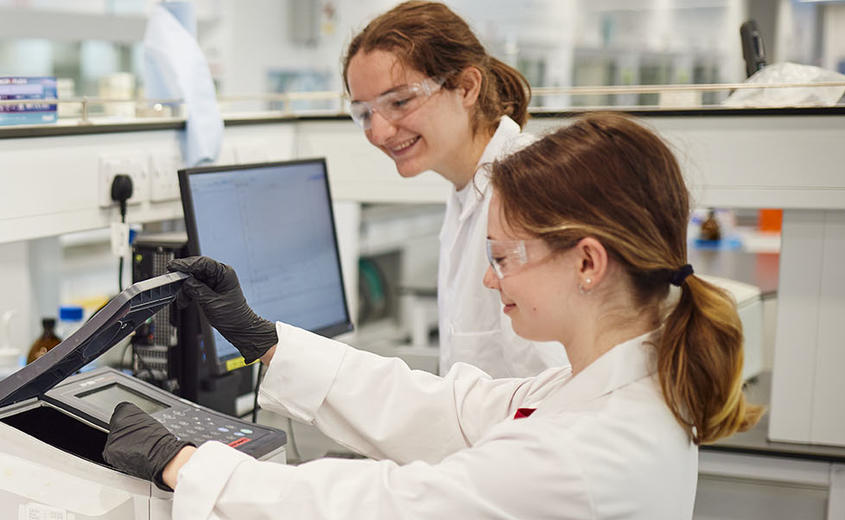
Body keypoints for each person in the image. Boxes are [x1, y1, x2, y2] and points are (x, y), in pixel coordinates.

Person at [101, 113, 764, 518]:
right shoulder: (603, 386)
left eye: (504, 256)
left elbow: (391, 508)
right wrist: (265, 339)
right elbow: (453, 412)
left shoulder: (586, 453)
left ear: (588, 263)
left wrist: (187, 464)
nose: (487, 277)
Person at [343, 1, 564, 376]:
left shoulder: (529, 194)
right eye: (364, 113)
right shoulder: (467, 190)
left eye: (399, 101)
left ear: (466, 87)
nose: (378, 133)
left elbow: (561, 389)